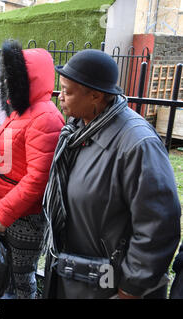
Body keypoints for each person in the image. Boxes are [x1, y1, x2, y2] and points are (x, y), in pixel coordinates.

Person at [42, 49, 181, 299]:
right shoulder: (77, 130)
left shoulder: (137, 144)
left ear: (95, 95)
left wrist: (131, 288)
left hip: (110, 288)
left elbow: (158, 225)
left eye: (67, 90)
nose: (59, 97)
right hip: (73, 276)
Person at [0, 40, 64, 299]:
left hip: (23, 218)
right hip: (5, 212)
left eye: (12, 76)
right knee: (3, 276)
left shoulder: (45, 117)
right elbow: (6, 154)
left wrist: (3, 213)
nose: (7, 81)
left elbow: (38, 179)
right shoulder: (20, 111)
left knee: (20, 282)